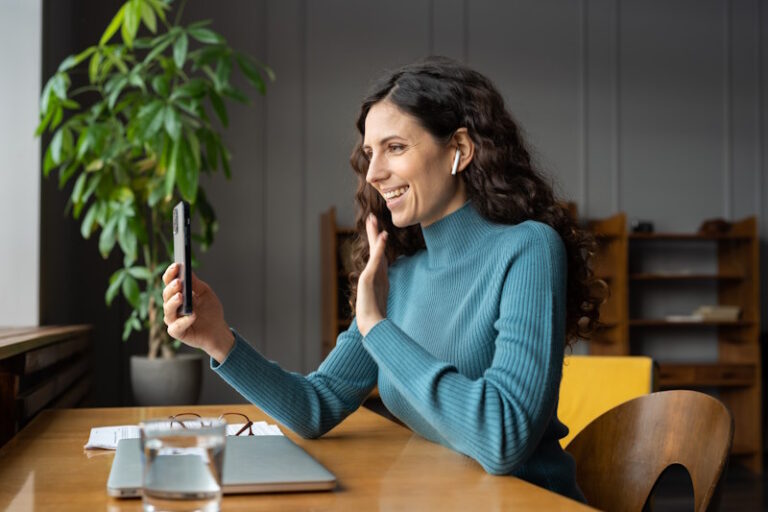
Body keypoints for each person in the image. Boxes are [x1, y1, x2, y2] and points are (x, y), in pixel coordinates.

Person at [162, 56, 602, 503]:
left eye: (395, 148)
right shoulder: (401, 273)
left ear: (460, 150)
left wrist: (376, 328)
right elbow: (317, 406)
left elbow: (504, 439)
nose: (373, 173)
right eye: (370, 153)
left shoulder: (528, 249)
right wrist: (218, 339)